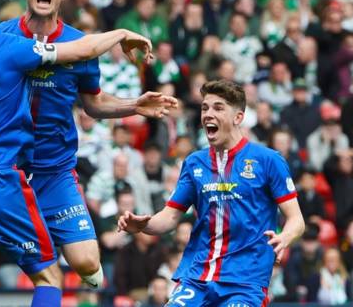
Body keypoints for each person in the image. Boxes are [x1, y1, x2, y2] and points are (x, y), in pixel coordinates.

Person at [0, 0, 177, 291]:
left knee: (88, 262)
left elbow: (93, 103)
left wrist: (134, 105)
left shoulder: (81, 44)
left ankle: (21, 235)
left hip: (52, 170)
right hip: (1, 169)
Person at [118, 80, 305, 306]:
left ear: (238, 117)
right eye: (205, 108)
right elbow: (170, 217)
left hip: (245, 282)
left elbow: (296, 220)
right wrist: (143, 225)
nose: (208, 114)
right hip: (197, 276)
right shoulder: (194, 162)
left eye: (218, 108)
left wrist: (284, 237)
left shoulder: (268, 160)